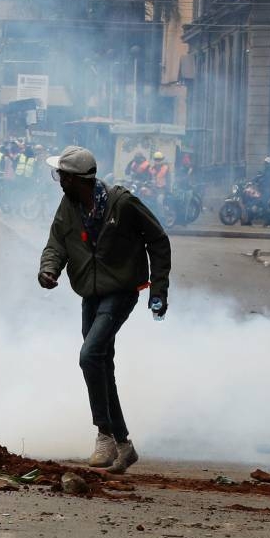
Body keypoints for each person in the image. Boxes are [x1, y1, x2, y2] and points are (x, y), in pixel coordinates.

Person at [38, 146, 171, 474]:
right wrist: (49, 269)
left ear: (78, 179)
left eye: (63, 176)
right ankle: (123, 445)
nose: (59, 181)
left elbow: (158, 240)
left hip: (121, 292)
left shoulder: (122, 204)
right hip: (91, 293)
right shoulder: (68, 206)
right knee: (100, 364)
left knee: (89, 356)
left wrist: (159, 290)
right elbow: (57, 242)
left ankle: (104, 433)